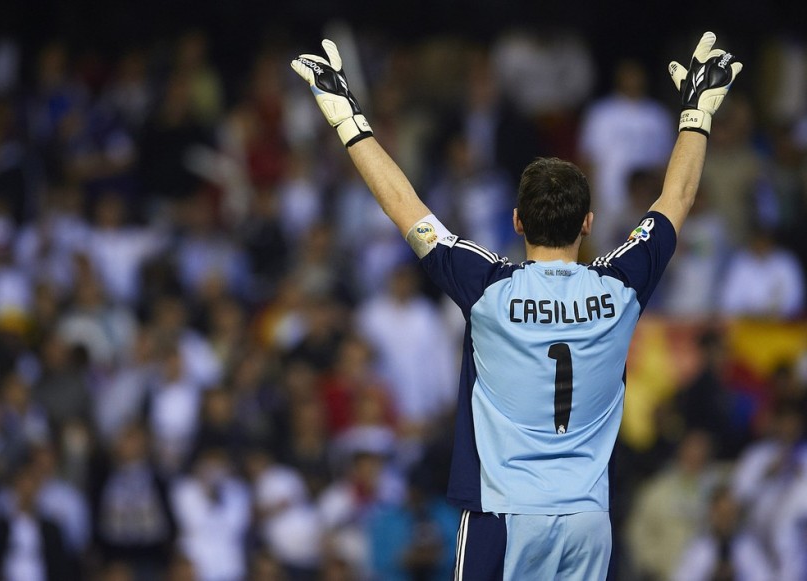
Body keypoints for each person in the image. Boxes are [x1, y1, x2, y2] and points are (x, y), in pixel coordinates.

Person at [291, 31, 742, 580]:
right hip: (586, 519)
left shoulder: (487, 287)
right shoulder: (621, 287)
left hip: (502, 515)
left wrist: (347, 120)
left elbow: (404, 206)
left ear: (518, 222)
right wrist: (698, 110)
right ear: (589, 224)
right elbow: (676, 199)